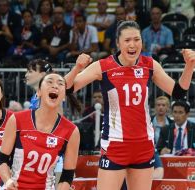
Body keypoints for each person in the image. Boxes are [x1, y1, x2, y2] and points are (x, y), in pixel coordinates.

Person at [64, 20, 195, 190]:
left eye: (137, 39)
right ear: (118, 43)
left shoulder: (150, 65)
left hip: (143, 145)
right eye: (127, 40)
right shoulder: (103, 66)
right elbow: (67, 88)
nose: (133, 45)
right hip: (115, 145)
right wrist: (77, 68)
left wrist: (189, 66)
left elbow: (178, 93)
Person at [0, 72, 80, 189]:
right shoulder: (17, 119)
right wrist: (8, 181)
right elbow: (2, 159)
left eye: (60, 84)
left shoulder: (71, 131)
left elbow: (67, 175)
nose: (55, 86)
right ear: (39, 92)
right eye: (50, 82)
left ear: (64, 96)